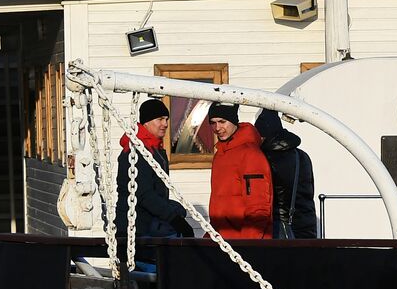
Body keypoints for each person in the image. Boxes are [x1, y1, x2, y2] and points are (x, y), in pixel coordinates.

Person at [114, 98, 191, 266]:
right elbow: (143, 194)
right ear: (147, 122)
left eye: (167, 119)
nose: (165, 124)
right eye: (160, 119)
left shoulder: (156, 150)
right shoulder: (135, 151)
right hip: (137, 230)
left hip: (151, 226)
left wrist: (174, 208)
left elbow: (156, 192)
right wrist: (173, 218)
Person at [207, 104, 273, 239]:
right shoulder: (220, 154)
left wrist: (247, 244)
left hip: (244, 242)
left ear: (233, 120)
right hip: (224, 239)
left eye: (222, 122)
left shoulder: (250, 155)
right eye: (213, 123)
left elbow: (258, 207)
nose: (217, 128)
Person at [255, 108, 318, 239]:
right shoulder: (301, 156)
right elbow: (308, 193)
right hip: (305, 226)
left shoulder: (265, 159)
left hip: (280, 229)